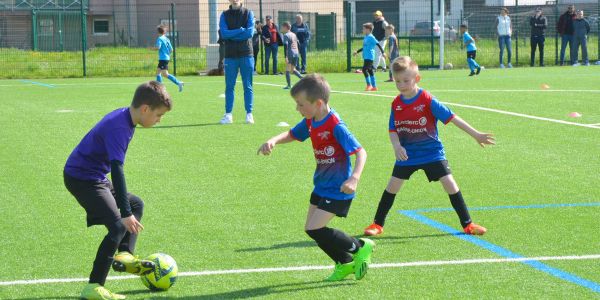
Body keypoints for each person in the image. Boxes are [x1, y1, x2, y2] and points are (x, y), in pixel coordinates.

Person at [258, 74, 374, 281]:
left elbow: (361, 152)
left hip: (338, 188)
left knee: (315, 228)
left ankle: (360, 247)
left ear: (318, 103)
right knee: (310, 229)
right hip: (321, 186)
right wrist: (273, 140)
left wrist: (354, 178)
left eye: (301, 104)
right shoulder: (311, 121)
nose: (297, 109)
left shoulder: (336, 125)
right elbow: (293, 134)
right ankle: (344, 262)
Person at [363, 56, 494, 237]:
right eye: (397, 81)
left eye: (406, 81)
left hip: (432, 153)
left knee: (450, 183)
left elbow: (452, 117)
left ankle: (468, 224)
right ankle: (377, 224)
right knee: (392, 187)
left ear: (417, 79)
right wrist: (396, 147)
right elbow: (392, 129)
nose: (401, 85)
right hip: (407, 154)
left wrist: (476, 134)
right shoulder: (396, 104)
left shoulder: (427, 99)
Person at [64, 81, 172, 300]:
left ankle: (124, 255)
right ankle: (93, 287)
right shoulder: (120, 127)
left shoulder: (126, 118)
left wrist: (127, 209)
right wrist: (124, 212)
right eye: (159, 115)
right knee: (116, 225)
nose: (159, 120)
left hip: (94, 176)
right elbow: (117, 170)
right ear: (145, 109)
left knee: (136, 204)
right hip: (81, 178)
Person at [218, 0, 256, 125]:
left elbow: (250, 33)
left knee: (248, 86)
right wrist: (240, 30)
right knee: (229, 86)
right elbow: (224, 34)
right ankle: (228, 115)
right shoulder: (224, 15)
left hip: (246, 54)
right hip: (230, 56)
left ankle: (249, 114)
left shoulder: (249, 13)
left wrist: (232, 34)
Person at [353, 23, 386, 91]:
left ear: (368, 30)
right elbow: (365, 47)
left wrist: (383, 52)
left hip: (370, 56)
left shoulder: (371, 37)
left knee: (364, 69)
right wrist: (357, 51)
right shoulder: (366, 37)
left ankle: (369, 85)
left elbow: (378, 44)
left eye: (364, 29)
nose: (362, 30)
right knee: (370, 70)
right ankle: (374, 87)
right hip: (366, 56)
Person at [155, 25, 183, 92]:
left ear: (158, 32)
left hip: (163, 59)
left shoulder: (160, 39)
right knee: (158, 72)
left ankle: (178, 83)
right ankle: (159, 88)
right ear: (164, 32)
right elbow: (171, 49)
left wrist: (151, 48)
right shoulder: (167, 39)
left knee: (165, 74)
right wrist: (167, 55)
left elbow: (158, 47)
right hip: (166, 58)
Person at [281, 22, 303, 89]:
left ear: (285, 27)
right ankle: (303, 78)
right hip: (296, 53)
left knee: (287, 70)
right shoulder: (293, 34)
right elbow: (298, 43)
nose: (281, 29)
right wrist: (298, 51)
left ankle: (289, 85)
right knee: (293, 70)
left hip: (290, 53)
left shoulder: (286, 35)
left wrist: (286, 56)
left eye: (282, 27)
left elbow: (286, 45)